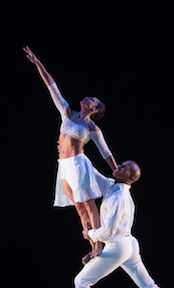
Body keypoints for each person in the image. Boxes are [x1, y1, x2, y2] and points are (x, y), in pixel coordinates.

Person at [71, 161, 174, 288]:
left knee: (81, 281)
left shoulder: (119, 198)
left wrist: (90, 234)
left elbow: (108, 231)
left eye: (123, 168)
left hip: (119, 246)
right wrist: (76, 156)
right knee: (149, 286)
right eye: (121, 164)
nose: (119, 167)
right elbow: (94, 174)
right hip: (128, 244)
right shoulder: (111, 186)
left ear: (128, 178)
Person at [23, 46, 118, 253]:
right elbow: (51, 86)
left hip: (78, 164)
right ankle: (93, 246)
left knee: (88, 205)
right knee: (78, 208)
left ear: (94, 109)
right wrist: (38, 62)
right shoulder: (67, 112)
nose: (88, 98)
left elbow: (105, 152)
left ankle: (99, 245)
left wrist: (117, 169)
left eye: (93, 100)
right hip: (64, 166)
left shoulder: (91, 127)